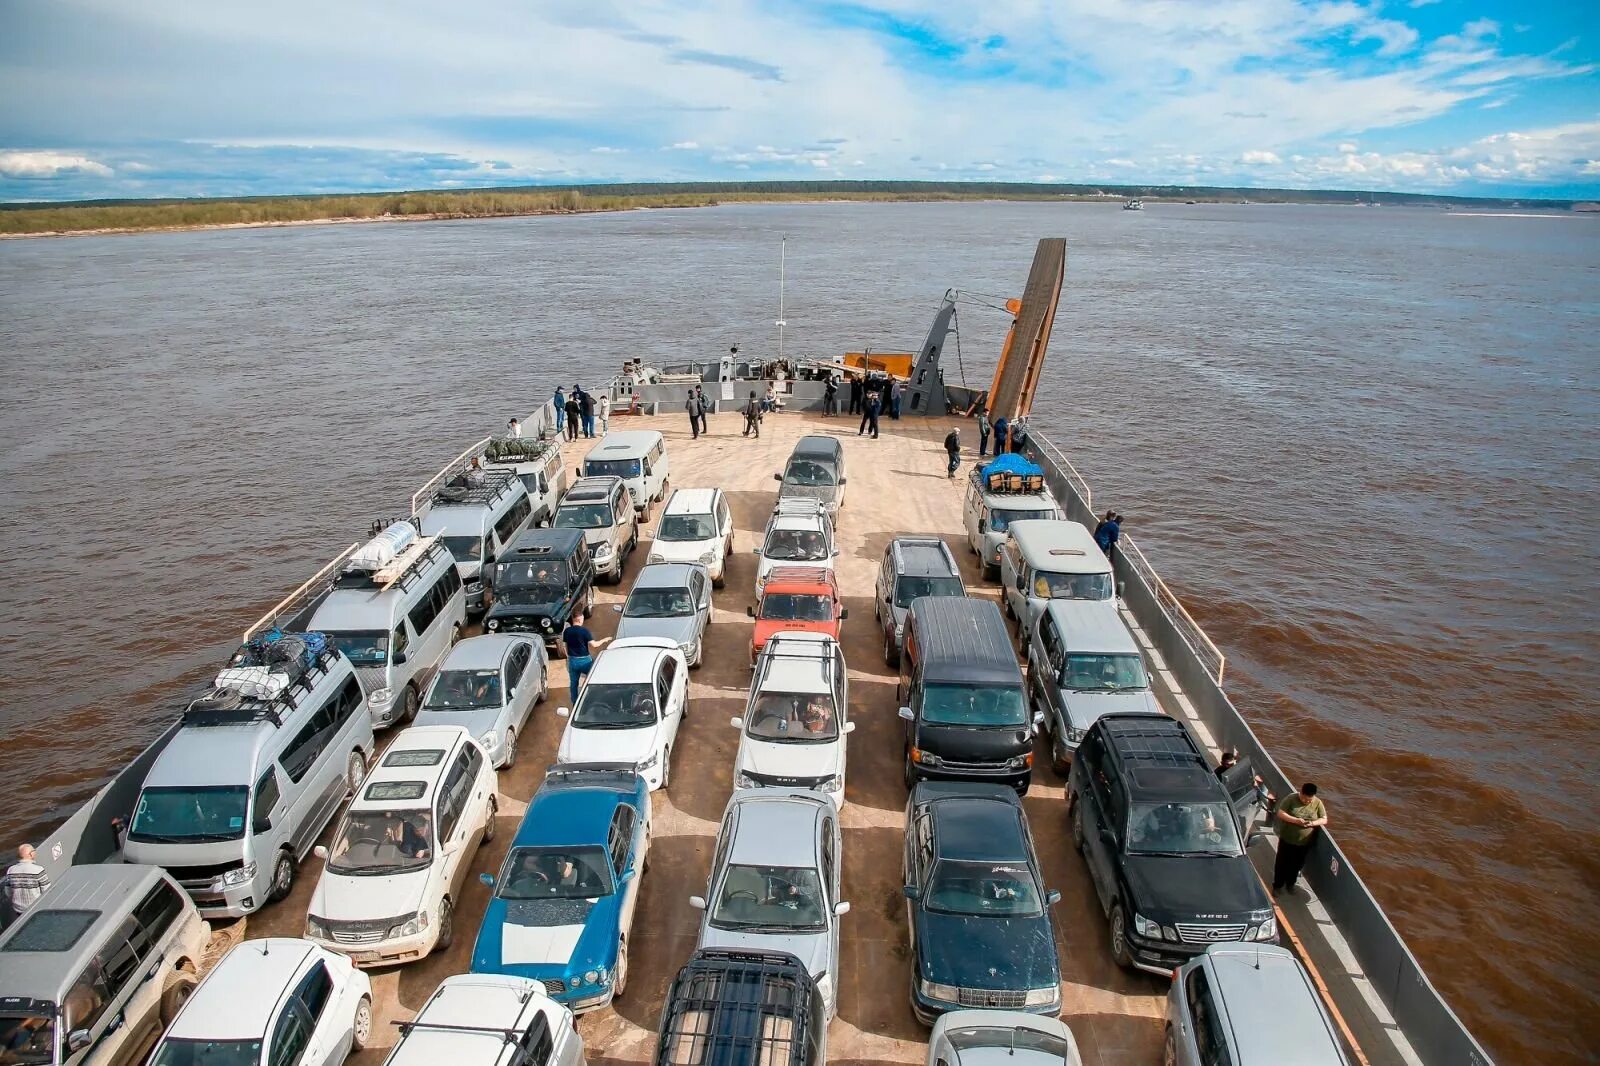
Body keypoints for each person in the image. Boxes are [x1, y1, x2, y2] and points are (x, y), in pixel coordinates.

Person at [1272, 783, 1328, 895]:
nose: (1306, 802)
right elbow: (1281, 813)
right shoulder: (1291, 798)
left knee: (1297, 864)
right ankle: (1277, 886)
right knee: (1282, 863)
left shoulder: (1317, 803)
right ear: (1301, 793)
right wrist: (1295, 820)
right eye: (1304, 799)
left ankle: (1290, 884)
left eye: (1309, 800)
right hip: (1287, 840)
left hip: (1304, 843)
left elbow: (1324, 819)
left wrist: (1312, 823)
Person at [562, 611, 610, 703]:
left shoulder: (567, 631)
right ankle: (593, 699)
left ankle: (574, 702)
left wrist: (568, 657)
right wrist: (605, 640)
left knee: (573, 683)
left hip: (572, 660)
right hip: (585, 661)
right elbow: (594, 645)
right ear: (579, 620)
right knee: (593, 678)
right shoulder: (584, 631)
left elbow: (565, 646)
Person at [2, 844, 50, 925]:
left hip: (18, 910)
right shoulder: (38, 870)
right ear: (31, 854)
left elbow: (8, 892)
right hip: (35, 909)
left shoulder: (11, 870)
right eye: (34, 851)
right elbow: (47, 890)